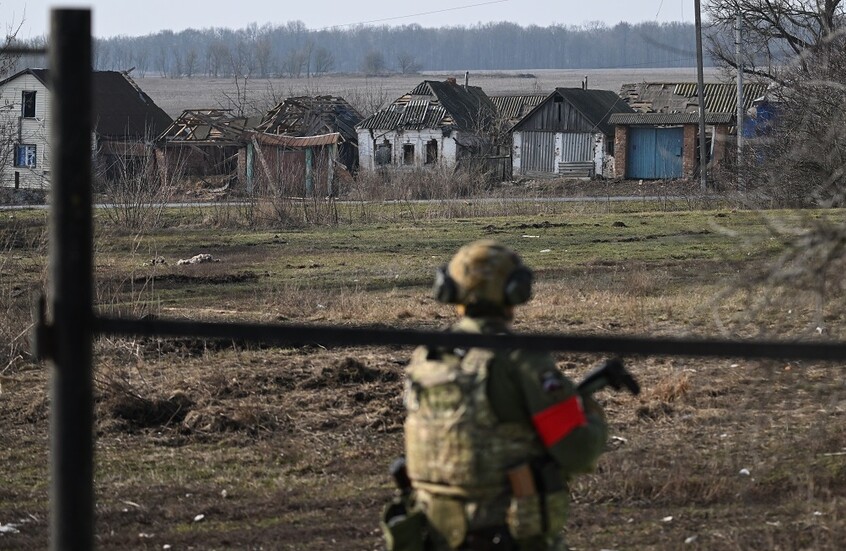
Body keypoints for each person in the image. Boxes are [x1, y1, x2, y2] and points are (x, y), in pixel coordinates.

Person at [381, 240, 608, 551]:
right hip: (505, 537)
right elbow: (578, 451)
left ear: (449, 289)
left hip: (431, 536)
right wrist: (590, 411)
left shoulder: (426, 358)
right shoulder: (519, 359)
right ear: (515, 291)